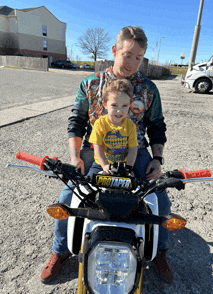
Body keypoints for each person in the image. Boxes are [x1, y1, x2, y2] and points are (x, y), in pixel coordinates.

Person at [40, 26, 173, 284]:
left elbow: (157, 126)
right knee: (68, 195)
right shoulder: (89, 83)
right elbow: (76, 121)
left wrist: (157, 159)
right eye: (127, 55)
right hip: (95, 149)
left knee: (160, 198)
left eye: (139, 57)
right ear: (115, 50)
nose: (133, 63)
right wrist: (75, 156)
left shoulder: (148, 89)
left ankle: (159, 251)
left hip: (136, 150)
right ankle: (61, 250)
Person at [87, 78, 138, 177]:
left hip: (123, 165)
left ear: (129, 106)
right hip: (101, 164)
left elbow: (133, 148)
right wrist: (105, 165)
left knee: (135, 187)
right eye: (114, 105)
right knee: (87, 184)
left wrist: (129, 167)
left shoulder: (130, 125)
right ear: (105, 104)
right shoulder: (100, 124)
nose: (119, 111)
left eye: (124, 106)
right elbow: (97, 146)